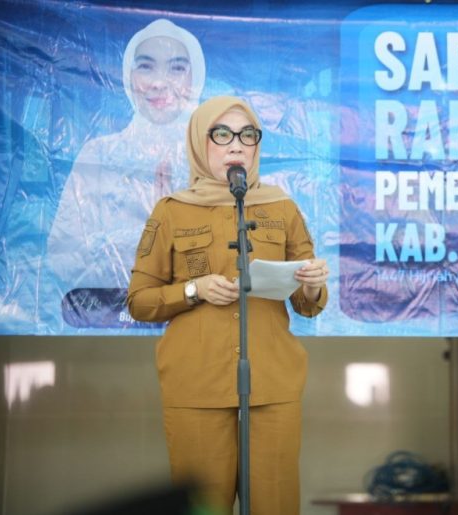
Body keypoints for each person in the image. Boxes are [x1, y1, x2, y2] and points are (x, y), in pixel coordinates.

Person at [126, 96, 329, 514]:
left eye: (247, 135)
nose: (237, 144)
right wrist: (193, 290)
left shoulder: (281, 207)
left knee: (276, 505)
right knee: (204, 507)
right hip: (196, 383)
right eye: (222, 134)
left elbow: (308, 304)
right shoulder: (171, 212)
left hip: (272, 382)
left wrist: (311, 286)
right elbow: (139, 301)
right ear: (200, 143)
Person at [47, 19, 205, 306]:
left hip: (196, 320)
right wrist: (143, 239)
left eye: (177, 68)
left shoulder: (212, 159)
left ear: (195, 79)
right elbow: (63, 257)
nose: (159, 82)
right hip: (112, 319)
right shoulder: (99, 156)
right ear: (128, 77)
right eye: (146, 66)